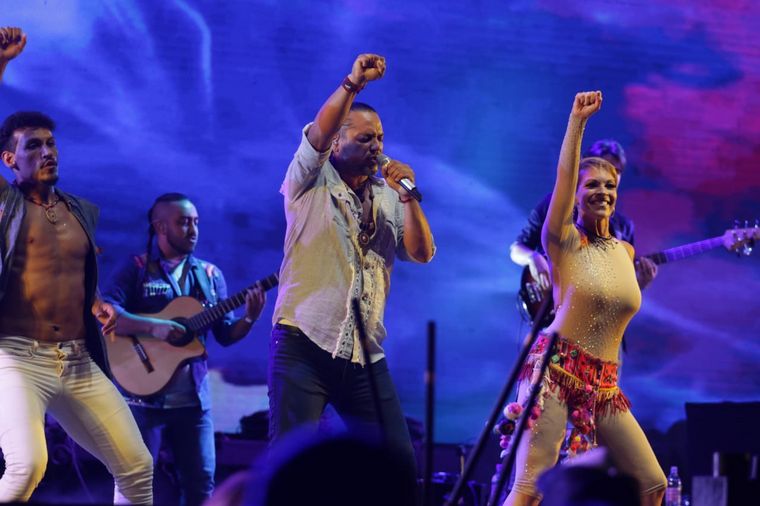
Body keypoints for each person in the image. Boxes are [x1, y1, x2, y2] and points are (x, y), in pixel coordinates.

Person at [0, 27, 153, 503]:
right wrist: (1, 65)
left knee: (138, 469)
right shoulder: (6, 204)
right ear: (9, 159)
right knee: (27, 468)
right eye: (33, 146)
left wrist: (96, 301)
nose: (47, 152)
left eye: (50, 143)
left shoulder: (78, 212)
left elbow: (68, 275)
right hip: (17, 357)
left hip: (77, 359)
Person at [269, 53, 435, 477]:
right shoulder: (310, 179)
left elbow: (421, 253)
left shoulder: (388, 196)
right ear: (338, 142)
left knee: (398, 467)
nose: (376, 146)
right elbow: (319, 132)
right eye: (364, 138)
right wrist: (352, 84)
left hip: (364, 352)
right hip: (305, 341)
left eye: (379, 138)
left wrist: (408, 198)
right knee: (290, 466)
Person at [503, 91, 666, 506]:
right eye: (591, 184)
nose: (603, 192)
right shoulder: (563, 240)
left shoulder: (625, 251)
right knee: (529, 489)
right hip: (556, 371)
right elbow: (564, 177)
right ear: (574, 195)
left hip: (605, 386)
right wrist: (577, 122)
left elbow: (612, 305)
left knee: (652, 484)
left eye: (610, 185)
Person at [101, 192, 266, 506]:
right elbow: (106, 312)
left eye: (196, 222)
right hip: (139, 400)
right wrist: (154, 327)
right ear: (161, 227)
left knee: (201, 485)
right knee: (133, 484)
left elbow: (226, 334)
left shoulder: (210, 276)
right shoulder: (136, 268)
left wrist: (249, 318)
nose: (193, 230)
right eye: (184, 222)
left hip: (193, 403)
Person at [510, 140, 657, 302]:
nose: (611, 175)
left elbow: (616, 295)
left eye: (617, 171)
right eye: (603, 167)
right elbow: (517, 249)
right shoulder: (555, 204)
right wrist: (533, 258)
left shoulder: (624, 228)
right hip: (546, 306)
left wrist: (638, 285)